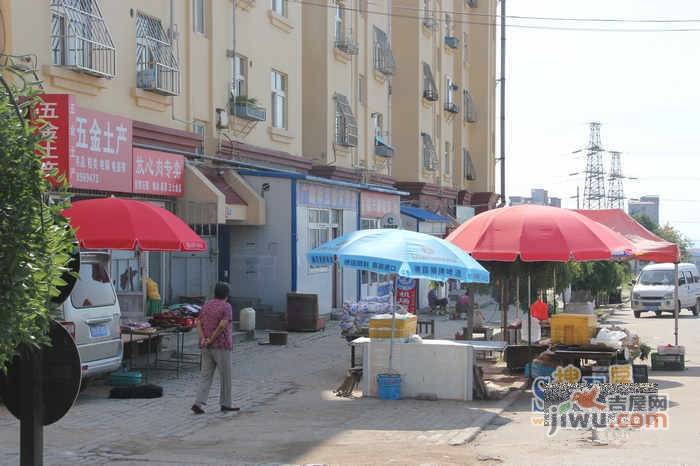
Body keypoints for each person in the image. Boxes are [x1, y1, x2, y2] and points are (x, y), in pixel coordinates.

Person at [191, 282, 238, 414]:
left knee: (205, 375)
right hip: (221, 346)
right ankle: (226, 403)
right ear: (227, 294)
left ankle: (198, 403)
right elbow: (222, 325)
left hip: (206, 346)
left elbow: (198, 322)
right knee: (225, 376)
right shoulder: (226, 307)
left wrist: (203, 339)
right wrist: (211, 338)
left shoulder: (207, 305)